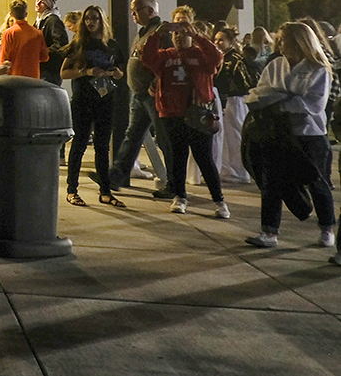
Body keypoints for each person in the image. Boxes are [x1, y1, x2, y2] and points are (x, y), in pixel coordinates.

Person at [242, 22, 336, 257]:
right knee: (271, 182)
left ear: (300, 42)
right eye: (280, 39)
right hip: (278, 133)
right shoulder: (275, 65)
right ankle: (269, 231)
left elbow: (314, 104)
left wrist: (280, 102)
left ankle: (327, 227)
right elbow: (259, 92)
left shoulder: (318, 68)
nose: (281, 44)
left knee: (317, 183)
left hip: (310, 135)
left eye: (285, 40)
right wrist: (282, 98)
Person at [142, 19, 227, 218]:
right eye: (176, 34)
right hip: (172, 115)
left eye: (184, 33)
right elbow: (147, 58)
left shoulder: (201, 56)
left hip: (198, 115)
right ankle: (180, 196)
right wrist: (157, 34)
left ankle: (219, 201)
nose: (179, 37)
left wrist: (198, 36)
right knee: (177, 158)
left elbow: (217, 58)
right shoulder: (165, 56)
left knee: (204, 159)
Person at [60, 5, 126, 208]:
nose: (90, 22)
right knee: (79, 144)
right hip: (83, 99)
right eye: (87, 18)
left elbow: (121, 71)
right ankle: (72, 190)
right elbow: (64, 73)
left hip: (106, 99)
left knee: (102, 146)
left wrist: (117, 74)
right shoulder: (79, 44)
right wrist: (86, 72)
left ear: (101, 21)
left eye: (95, 18)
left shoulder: (111, 45)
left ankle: (105, 191)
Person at [109, 0, 172, 195]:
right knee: (132, 136)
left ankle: (174, 183)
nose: (133, 15)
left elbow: (167, 61)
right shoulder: (143, 33)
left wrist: (155, 83)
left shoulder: (161, 32)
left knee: (164, 139)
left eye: (136, 11)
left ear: (150, 10)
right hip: (139, 95)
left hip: (153, 95)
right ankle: (115, 176)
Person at [213, 27, 257, 183]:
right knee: (226, 137)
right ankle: (228, 169)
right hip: (224, 100)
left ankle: (240, 171)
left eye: (221, 40)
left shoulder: (236, 60)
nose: (217, 42)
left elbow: (246, 82)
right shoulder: (220, 57)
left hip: (235, 101)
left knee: (236, 136)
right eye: (215, 39)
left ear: (231, 41)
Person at [0, 0, 48, 79]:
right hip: (33, 76)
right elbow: (44, 57)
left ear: (11, 15)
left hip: (14, 77)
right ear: (26, 14)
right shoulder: (37, 33)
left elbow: (4, 59)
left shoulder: (8, 33)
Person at [35, 0, 69, 87]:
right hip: (42, 68)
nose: (37, 3)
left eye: (42, 2)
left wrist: (44, 52)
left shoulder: (53, 20)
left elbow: (61, 44)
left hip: (50, 70)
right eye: (37, 0)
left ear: (49, 5)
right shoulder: (40, 21)